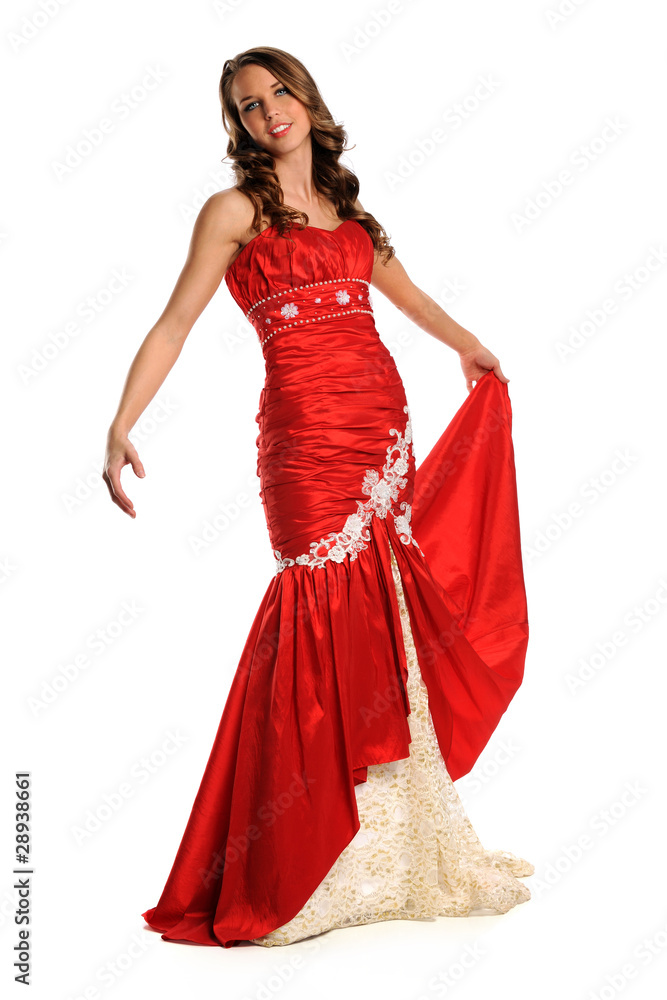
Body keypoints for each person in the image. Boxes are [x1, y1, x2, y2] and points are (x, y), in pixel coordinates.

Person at [104, 46, 534, 949]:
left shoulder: (351, 214)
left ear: (306, 99)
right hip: (302, 437)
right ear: (240, 126)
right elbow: (175, 320)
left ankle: (376, 849)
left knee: (385, 619)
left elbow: (405, 296)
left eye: (279, 93)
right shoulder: (232, 212)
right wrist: (120, 424)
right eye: (249, 106)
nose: (269, 113)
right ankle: (283, 856)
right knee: (312, 606)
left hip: (379, 422)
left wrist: (467, 346)